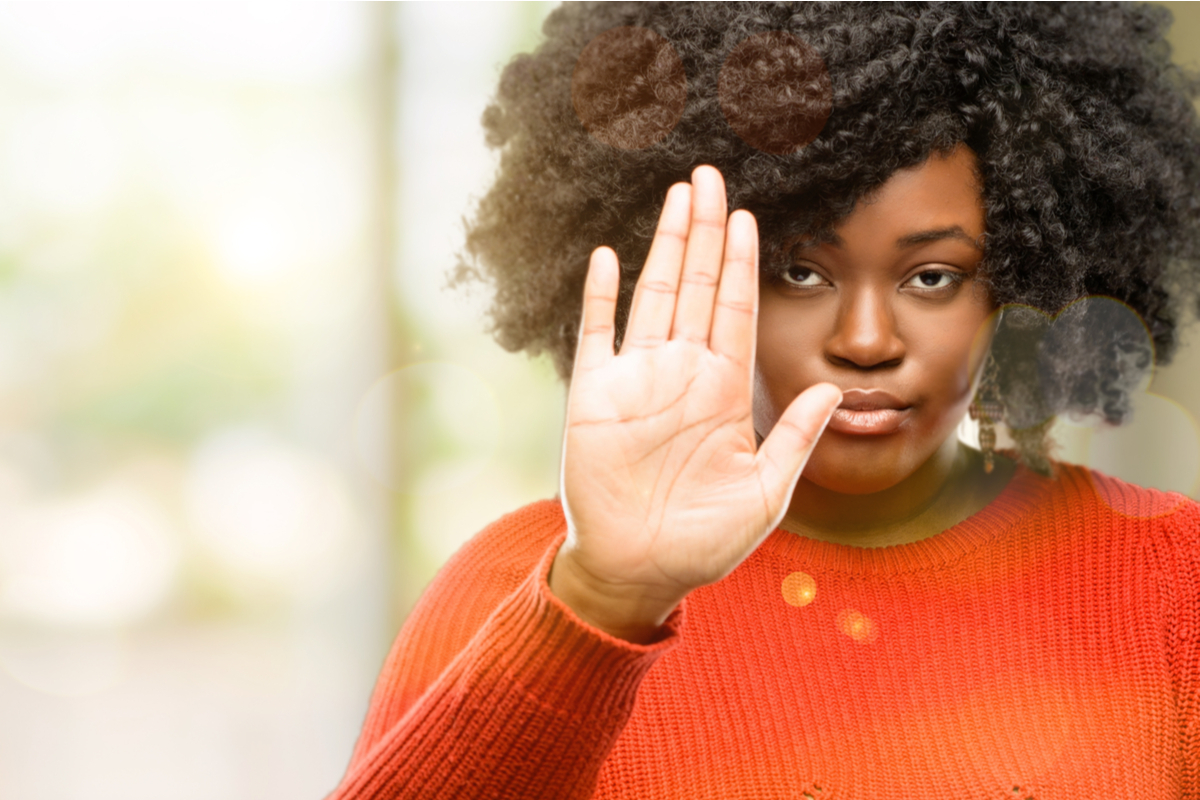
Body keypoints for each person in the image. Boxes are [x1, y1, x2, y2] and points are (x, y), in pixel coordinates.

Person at [330, 4, 1200, 798]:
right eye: (799, 271)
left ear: (1018, 283)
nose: (866, 339)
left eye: (932, 277)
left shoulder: (1172, 580)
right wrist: (604, 599)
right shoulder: (527, 586)